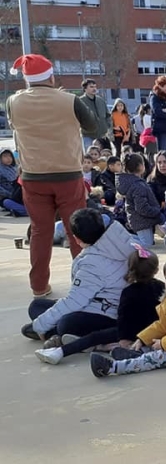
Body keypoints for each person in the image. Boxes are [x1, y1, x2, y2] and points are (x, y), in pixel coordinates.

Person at [6, 54, 97, 297]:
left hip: (33, 176)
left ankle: (39, 286)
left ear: (27, 80)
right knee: (77, 230)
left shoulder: (13, 102)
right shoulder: (69, 100)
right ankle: (85, 282)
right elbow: (96, 127)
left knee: (40, 231)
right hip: (68, 173)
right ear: (51, 76)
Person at [35, 245, 165, 365]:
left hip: (130, 332)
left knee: (94, 336)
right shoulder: (160, 286)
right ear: (156, 270)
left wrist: (124, 338)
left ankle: (64, 350)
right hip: (151, 331)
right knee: (93, 336)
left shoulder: (128, 291)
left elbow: (123, 317)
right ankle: (63, 350)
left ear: (130, 269)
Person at [22, 208, 133, 343]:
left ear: (76, 239)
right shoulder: (120, 239)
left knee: (65, 324)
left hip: (110, 313)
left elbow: (75, 301)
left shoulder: (92, 263)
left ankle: (61, 335)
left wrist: (40, 325)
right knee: (37, 306)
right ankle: (60, 334)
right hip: (104, 304)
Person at [116, 153, 162, 246]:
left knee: (148, 241)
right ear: (141, 166)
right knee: (145, 244)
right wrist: (156, 211)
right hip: (141, 220)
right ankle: (121, 240)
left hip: (137, 218)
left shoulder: (133, 183)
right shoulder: (137, 185)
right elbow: (141, 207)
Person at [78, 78, 111, 150]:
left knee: (102, 157)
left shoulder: (101, 100)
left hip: (102, 135)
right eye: (91, 87)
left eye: (95, 86)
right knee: (89, 156)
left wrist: (108, 126)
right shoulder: (80, 101)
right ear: (85, 89)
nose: (94, 89)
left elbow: (108, 115)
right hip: (87, 135)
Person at [149, 76, 166, 154]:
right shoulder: (154, 97)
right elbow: (158, 112)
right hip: (161, 128)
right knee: (162, 151)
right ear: (160, 86)